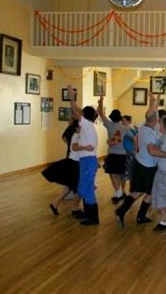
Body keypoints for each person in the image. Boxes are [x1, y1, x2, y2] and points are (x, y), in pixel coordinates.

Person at [115, 93, 166, 227]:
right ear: (156, 120)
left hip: (140, 163)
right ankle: (136, 215)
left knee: (137, 191)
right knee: (149, 191)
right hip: (147, 167)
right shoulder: (149, 133)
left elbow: (150, 114)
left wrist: (153, 101)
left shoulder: (143, 127)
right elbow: (152, 151)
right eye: (158, 118)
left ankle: (124, 212)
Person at [67, 84, 99, 225]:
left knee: (87, 188)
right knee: (83, 188)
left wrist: (71, 96)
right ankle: (89, 214)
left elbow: (75, 109)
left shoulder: (86, 124)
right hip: (86, 160)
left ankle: (93, 217)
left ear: (84, 116)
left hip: (87, 161)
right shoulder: (88, 127)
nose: (76, 115)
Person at [42, 120, 84, 218]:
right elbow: (74, 147)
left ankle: (55, 203)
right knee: (77, 188)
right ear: (77, 128)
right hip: (74, 164)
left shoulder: (78, 135)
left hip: (74, 163)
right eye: (81, 126)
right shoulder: (76, 136)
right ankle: (75, 209)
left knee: (71, 186)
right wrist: (86, 147)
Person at [98, 97, 133, 204]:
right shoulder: (125, 128)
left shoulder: (109, 125)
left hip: (113, 154)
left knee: (112, 173)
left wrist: (100, 103)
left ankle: (118, 192)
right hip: (122, 154)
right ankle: (119, 193)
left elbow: (101, 113)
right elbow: (132, 137)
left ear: (112, 118)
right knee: (118, 174)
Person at [121, 115, 137, 183]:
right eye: (122, 121)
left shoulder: (131, 130)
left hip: (130, 152)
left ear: (129, 121)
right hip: (123, 152)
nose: (122, 122)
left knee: (130, 172)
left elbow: (135, 139)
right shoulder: (121, 129)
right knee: (123, 172)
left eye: (124, 121)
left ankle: (130, 191)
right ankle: (123, 191)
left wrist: (135, 150)